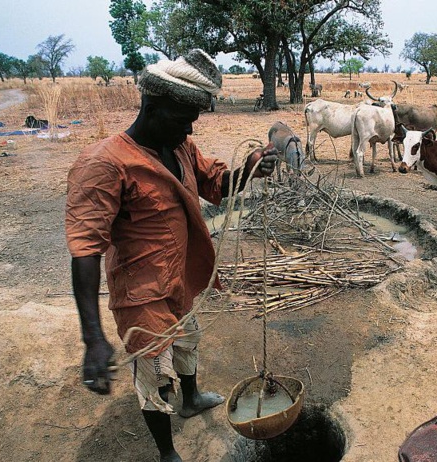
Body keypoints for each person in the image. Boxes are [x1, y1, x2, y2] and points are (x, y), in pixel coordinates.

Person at [65, 49, 278, 462]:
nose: (189, 128)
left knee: (188, 342)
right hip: (141, 292)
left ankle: (192, 397)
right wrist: (92, 337)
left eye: (193, 120)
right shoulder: (105, 163)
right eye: (183, 118)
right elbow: (86, 251)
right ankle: (167, 452)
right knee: (155, 373)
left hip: (178, 277)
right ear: (153, 104)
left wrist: (251, 165)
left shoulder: (178, 146)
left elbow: (218, 182)